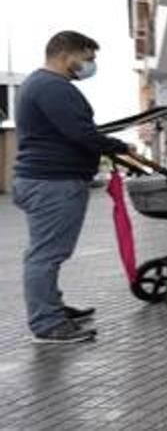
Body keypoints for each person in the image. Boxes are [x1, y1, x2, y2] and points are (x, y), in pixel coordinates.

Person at [13, 31, 132, 344]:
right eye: (88, 58)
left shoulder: (39, 85)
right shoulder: (53, 87)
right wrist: (121, 147)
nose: (91, 66)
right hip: (53, 183)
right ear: (67, 55)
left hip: (44, 181)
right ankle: (47, 323)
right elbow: (80, 133)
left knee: (46, 253)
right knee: (46, 255)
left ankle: (51, 308)